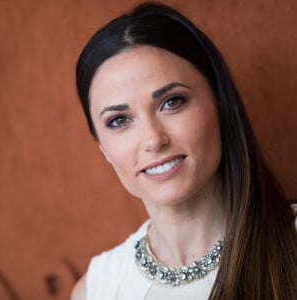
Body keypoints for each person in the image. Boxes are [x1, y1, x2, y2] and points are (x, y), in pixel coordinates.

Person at [71, 2, 297, 299]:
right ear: (103, 147)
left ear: (220, 103)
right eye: (119, 121)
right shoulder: (96, 289)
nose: (153, 139)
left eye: (172, 102)